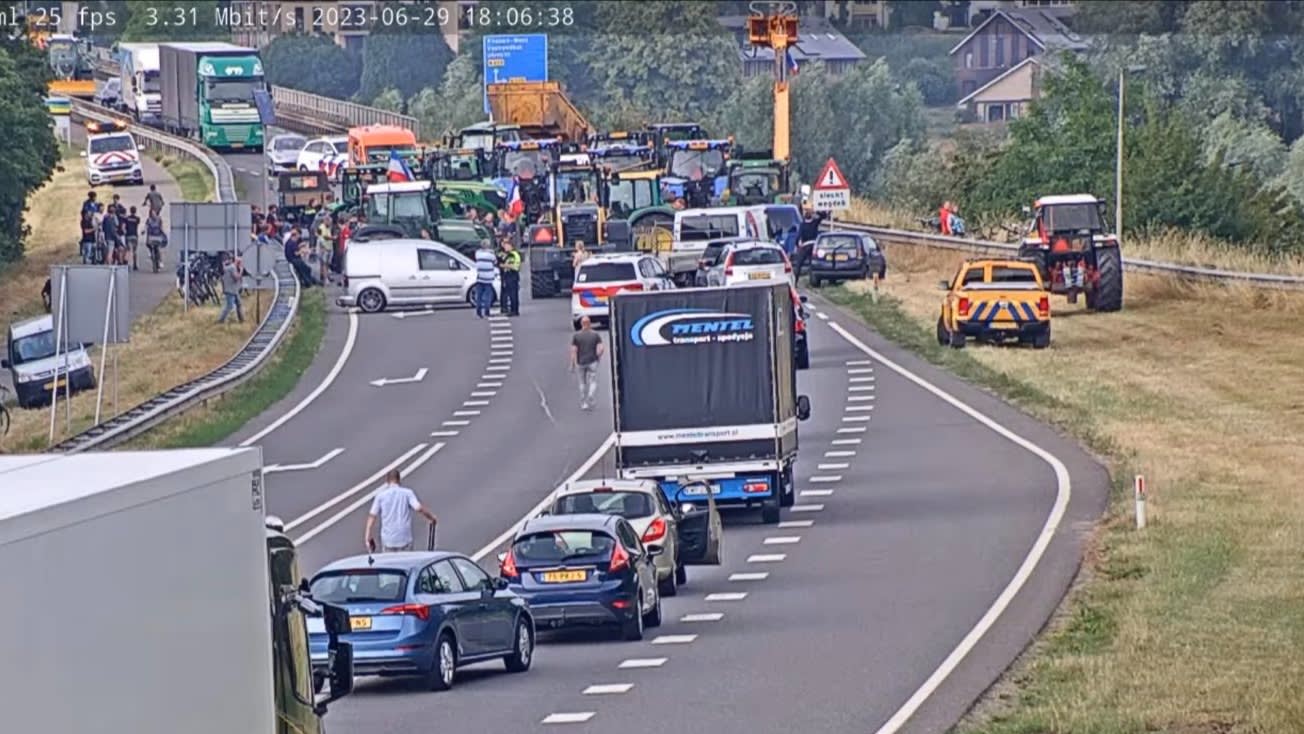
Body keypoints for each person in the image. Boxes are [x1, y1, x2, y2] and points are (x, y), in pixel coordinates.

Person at [364, 469, 438, 553]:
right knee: (406, 563)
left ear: (387, 481)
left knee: (389, 564)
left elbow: (372, 516)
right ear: (399, 480)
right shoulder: (407, 493)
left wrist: (368, 536)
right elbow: (418, 508)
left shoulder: (380, 496)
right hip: (404, 538)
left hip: (388, 539)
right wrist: (431, 517)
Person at [569, 316, 605, 411]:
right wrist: (598, 357)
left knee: (582, 382)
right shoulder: (595, 335)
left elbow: (574, 351)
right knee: (592, 380)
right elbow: (601, 348)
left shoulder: (576, 336)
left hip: (581, 362)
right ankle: (591, 394)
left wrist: (572, 364)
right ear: (589, 323)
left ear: (581, 324)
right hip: (592, 361)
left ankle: (584, 402)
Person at [473, 240, 497, 318]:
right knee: (488, 296)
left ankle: (478, 311)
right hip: (488, 278)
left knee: (479, 296)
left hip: (480, 277)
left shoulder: (478, 254)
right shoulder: (491, 255)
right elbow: (495, 262)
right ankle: (487, 311)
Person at [218, 254, 245, 324]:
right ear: (238, 262)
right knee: (229, 306)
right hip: (230, 290)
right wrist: (241, 271)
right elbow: (236, 278)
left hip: (233, 289)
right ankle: (221, 320)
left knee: (239, 304)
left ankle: (241, 319)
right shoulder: (232, 268)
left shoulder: (230, 267)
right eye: (241, 263)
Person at [497, 239, 521, 316]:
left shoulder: (514, 254)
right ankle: (512, 309)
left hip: (512, 276)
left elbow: (515, 266)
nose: (505, 248)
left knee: (513, 294)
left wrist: (504, 266)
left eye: (507, 246)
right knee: (510, 294)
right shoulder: (508, 254)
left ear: (511, 246)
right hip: (508, 276)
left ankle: (514, 310)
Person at [123, 206, 141, 270]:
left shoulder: (127, 218)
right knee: (134, 251)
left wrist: (125, 232)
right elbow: (137, 224)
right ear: (135, 211)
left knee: (128, 250)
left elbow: (124, 227)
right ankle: (135, 265)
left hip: (128, 235)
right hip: (135, 235)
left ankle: (126, 262)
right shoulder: (137, 218)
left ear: (130, 211)